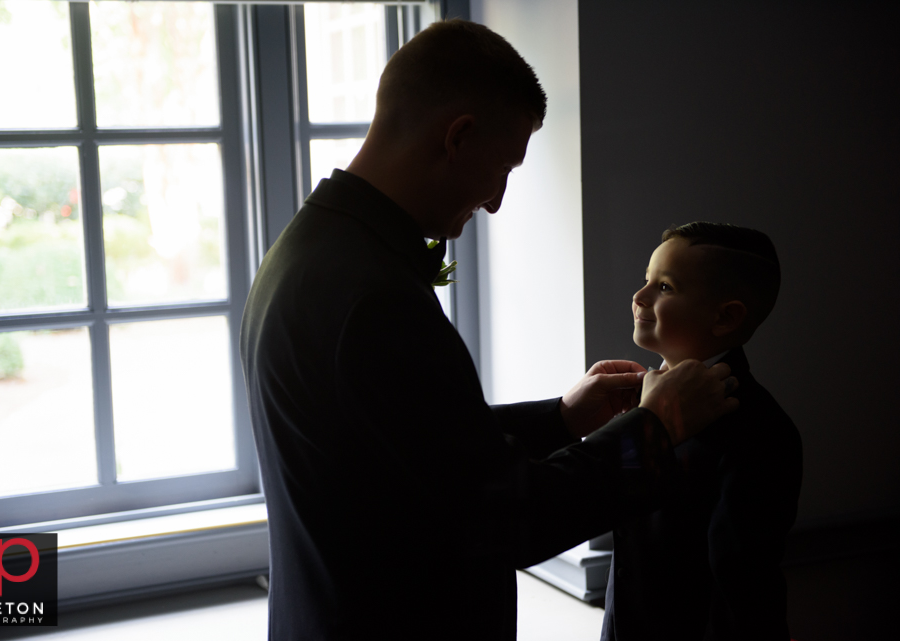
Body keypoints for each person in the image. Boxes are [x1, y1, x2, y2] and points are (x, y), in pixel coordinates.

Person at [240, 20, 737, 641]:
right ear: (459, 137)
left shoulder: (312, 249)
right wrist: (655, 429)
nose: (498, 200)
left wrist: (560, 417)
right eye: (502, 168)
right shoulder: (374, 297)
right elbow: (508, 517)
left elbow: (411, 445)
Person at [601, 222, 803, 641]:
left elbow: (740, 584)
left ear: (725, 317)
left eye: (666, 287)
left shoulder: (758, 431)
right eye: (646, 281)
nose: (639, 298)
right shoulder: (641, 401)